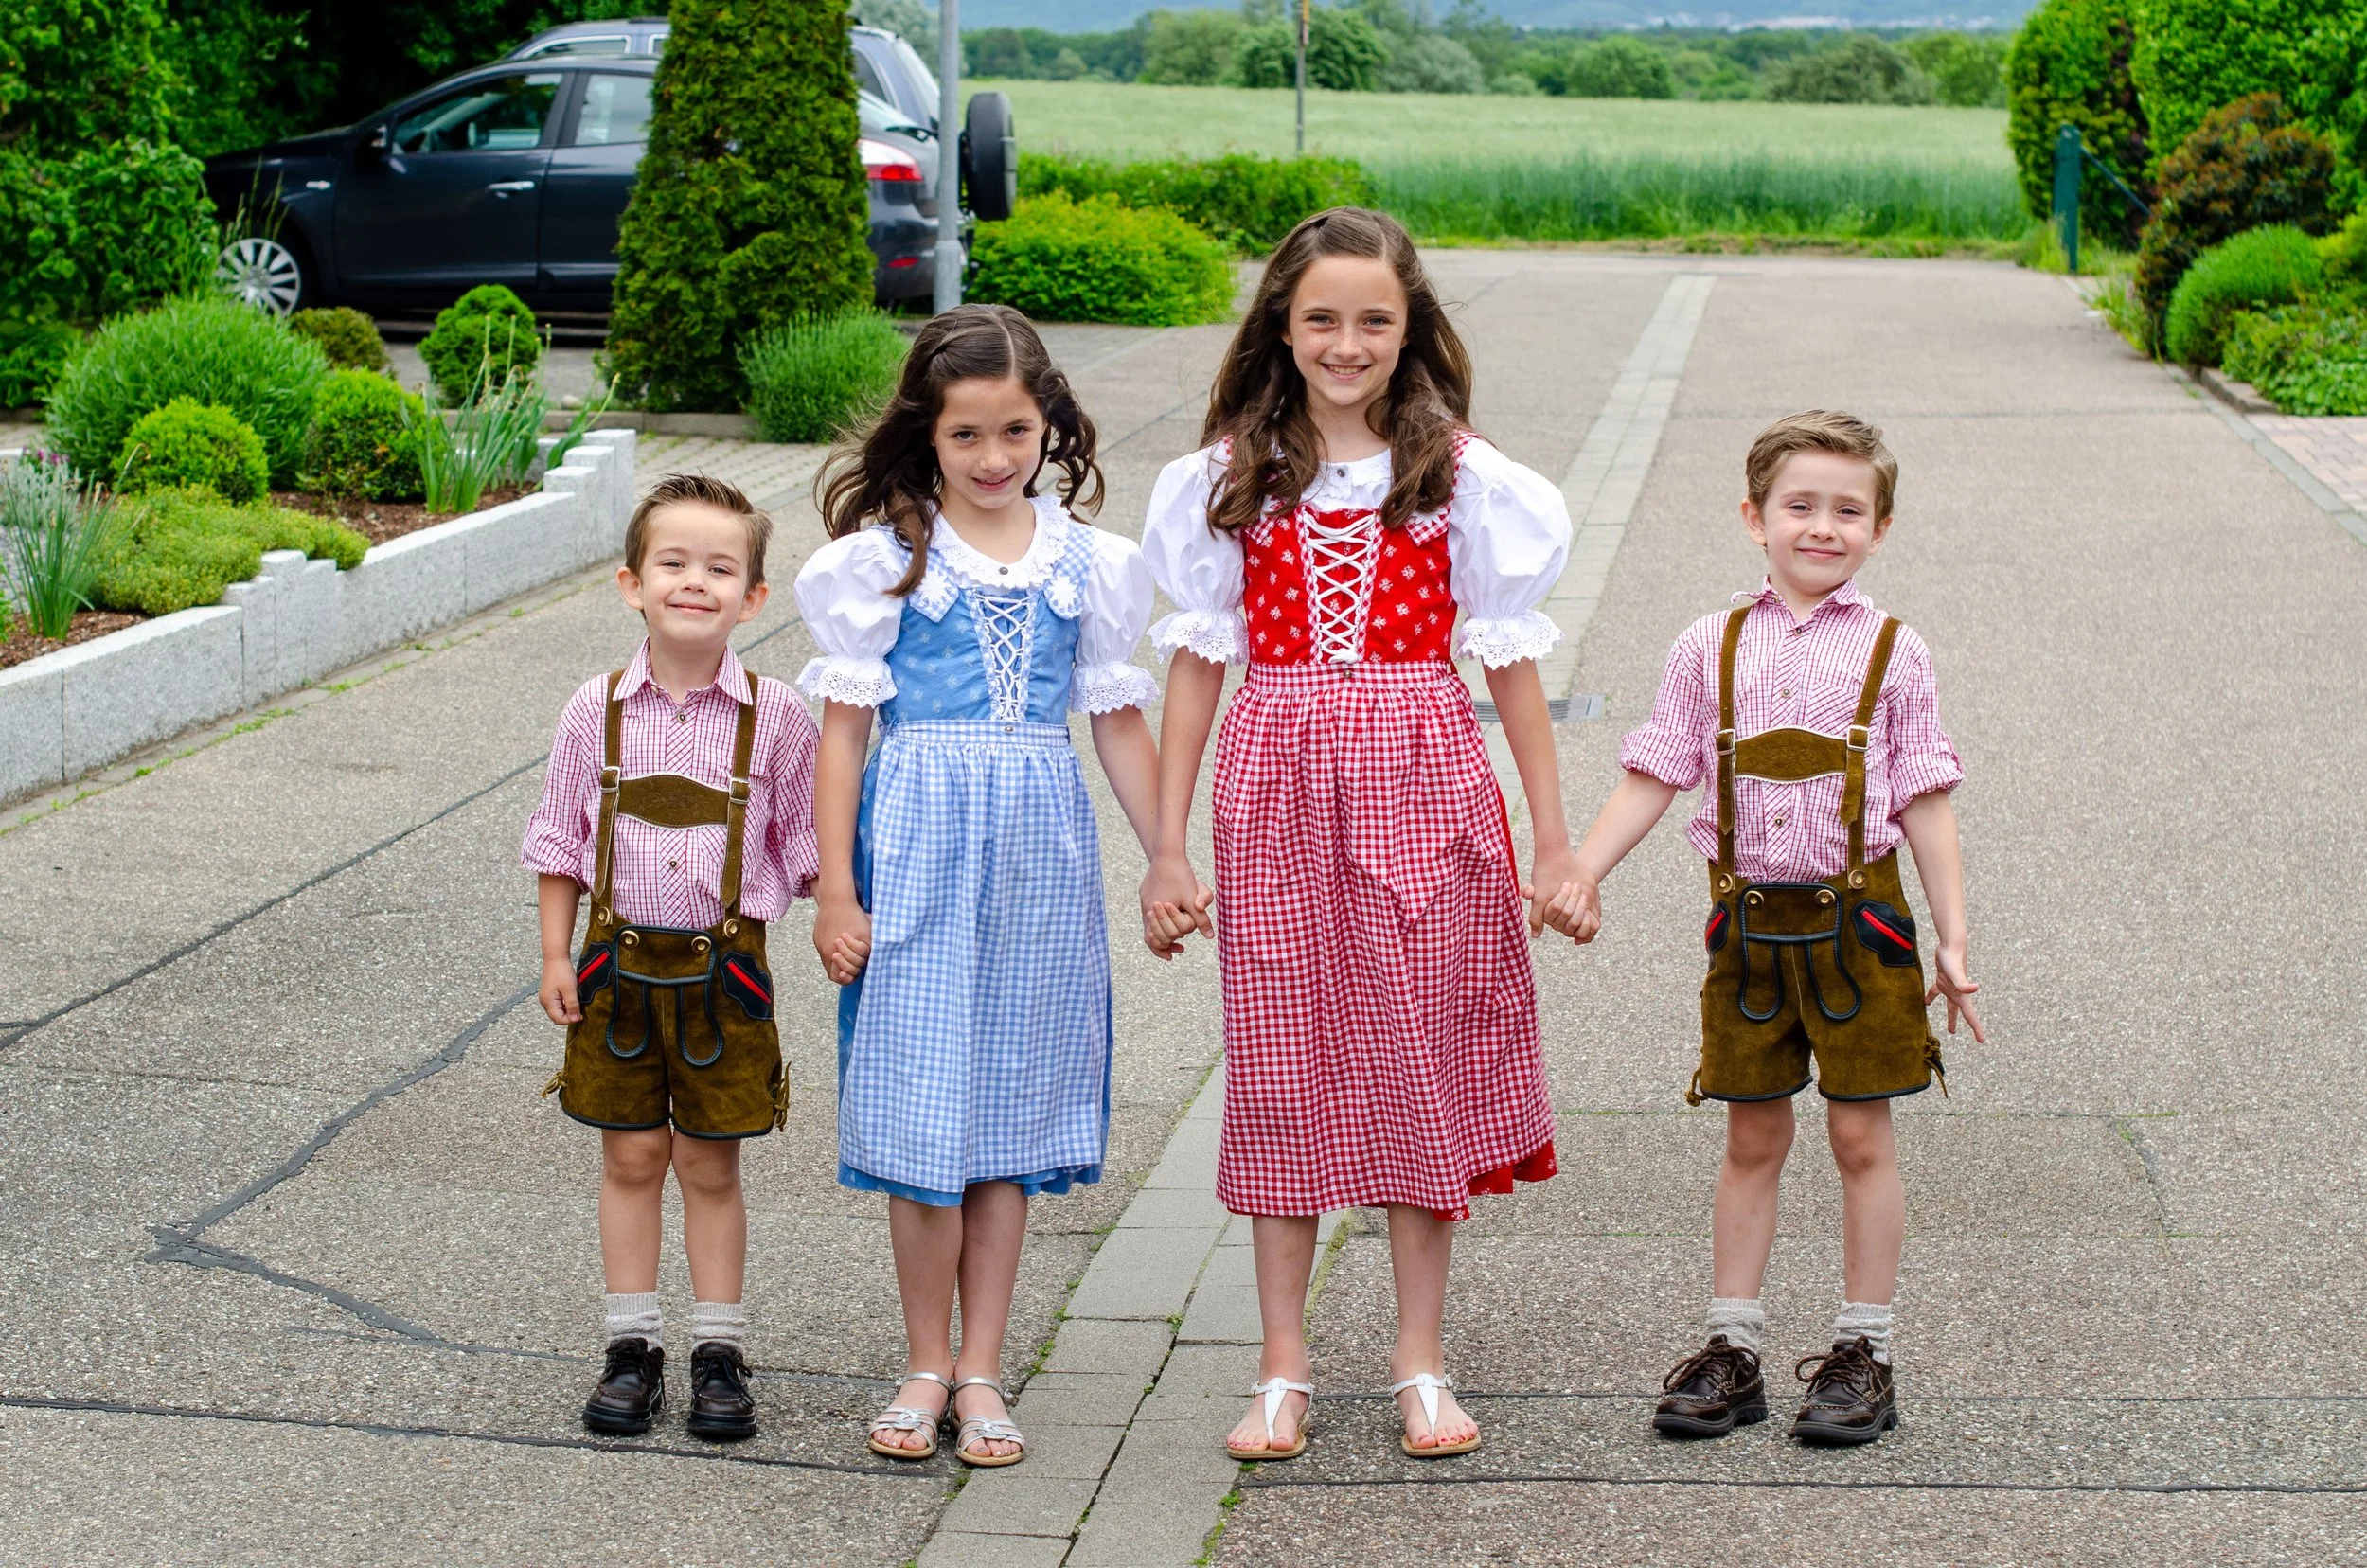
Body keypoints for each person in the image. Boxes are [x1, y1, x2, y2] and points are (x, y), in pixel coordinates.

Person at [1139, 207, 1587, 1464]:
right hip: (1276, 782)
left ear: (1409, 327)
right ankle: (1283, 1365)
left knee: (1418, 1054)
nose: (1347, 342)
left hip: (1425, 777)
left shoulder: (1463, 476)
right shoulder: (1229, 478)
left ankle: (1418, 1358)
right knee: (1281, 1063)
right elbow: (1195, 670)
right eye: (1322, 318)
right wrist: (1167, 847)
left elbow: (1509, 669)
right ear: (1281, 326)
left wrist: (1555, 842)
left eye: (1374, 320)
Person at [1562, 410, 1984, 1447]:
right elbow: (1656, 770)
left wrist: (1953, 936)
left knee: (1860, 1138)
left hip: (1864, 931)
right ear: (1755, 517)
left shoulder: (1895, 651)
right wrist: (1581, 868)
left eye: (1849, 510)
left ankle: (1863, 1353)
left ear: (1880, 528)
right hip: (1745, 934)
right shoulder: (1707, 646)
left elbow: (1927, 797)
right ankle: (1732, 1349)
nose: (1823, 527)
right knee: (1751, 1135)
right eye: (1801, 506)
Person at [796, 304, 1164, 1469]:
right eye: (966, 435)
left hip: (1039, 858)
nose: (994, 456)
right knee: (920, 1108)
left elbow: (1115, 720)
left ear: (1049, 425)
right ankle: (922, 1360)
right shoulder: (879, 563)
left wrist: (1166, 852)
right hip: (913, 850)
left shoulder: (1091, 564)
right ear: (929, 433)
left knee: (1006, 1113)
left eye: (1014, 431)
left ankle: (983, 1368)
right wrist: (835, 889)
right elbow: (842, 737)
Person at [523, 473, 820, 1444]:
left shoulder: (778, 716)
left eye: (720, 569)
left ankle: (719, 1352)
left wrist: (848, 907)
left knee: (709, 1163)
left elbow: (810, 843)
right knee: (631, 1154)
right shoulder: (595, 708)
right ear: (632, 584)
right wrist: (555, 955)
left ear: (753, 598)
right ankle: (632, 1345)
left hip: (725, 976)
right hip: (613, 973)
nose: (695, 582)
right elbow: (559, 842)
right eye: (674, 563)